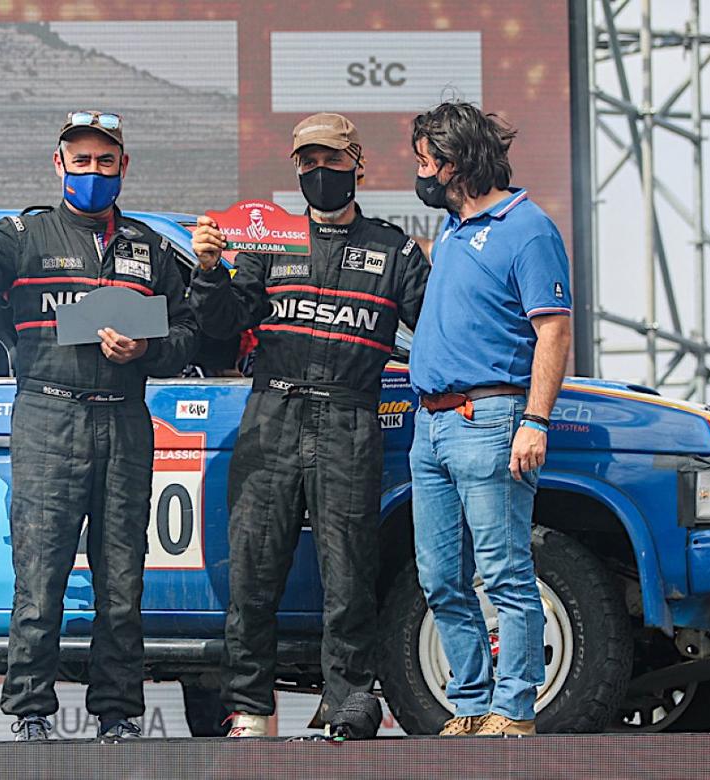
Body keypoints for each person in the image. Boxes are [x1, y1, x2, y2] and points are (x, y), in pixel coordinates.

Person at [0, 111, 198, 741]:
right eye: (82, 162)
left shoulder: (149, 247)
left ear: (123, 167)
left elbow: (188, 335)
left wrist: (146, 352)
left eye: (106, 162)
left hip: (126, 419)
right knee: (41, 576)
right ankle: (28, 714)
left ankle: (119, 715)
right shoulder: (23, 235)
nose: (94, 172)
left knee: (122, 580)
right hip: (48, 415)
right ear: (60, 165)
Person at [190, 113, 431, 737]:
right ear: (295, 169)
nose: (319, 171)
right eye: (307, 162)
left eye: (331, 159)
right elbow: (219, 326)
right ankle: (248, 706)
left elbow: (436, 325)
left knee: (349, 572)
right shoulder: (268, 241)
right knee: (254, 566)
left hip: (350, 412)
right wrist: (210, 270)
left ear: (358, 162)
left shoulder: (393, 247)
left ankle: (349, 701)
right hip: (271, 413)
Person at [407, 102, 572, 737]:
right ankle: (472, 705)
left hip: (491, 418)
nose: (420, 172)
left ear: (458, 160)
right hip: (431, 426)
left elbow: (553, 330)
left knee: (503, 572)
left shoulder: (526, 228)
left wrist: (535, 420)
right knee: (440, 576)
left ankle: (515, 709)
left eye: (426, 160)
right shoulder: (450, 230)